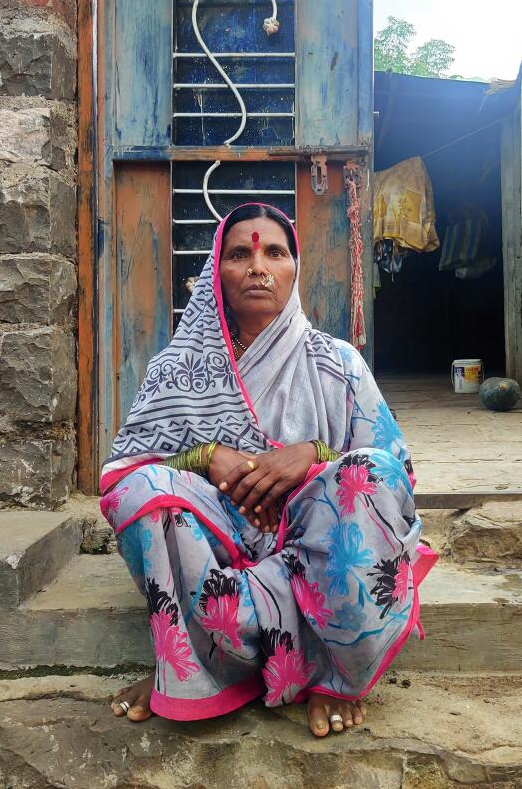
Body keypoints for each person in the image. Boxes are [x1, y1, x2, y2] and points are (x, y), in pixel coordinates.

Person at [99, 202, 435, 737]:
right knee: (139, 490)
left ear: (293, 270)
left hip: (314, 546)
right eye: (239, 254)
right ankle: (192, 664)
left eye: (274, 252)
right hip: (216, 543)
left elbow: (398, 472)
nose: (258, 266)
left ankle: (336, 674)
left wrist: (314, 455)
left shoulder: (338, 362)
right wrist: (207, 458)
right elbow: (126, 468)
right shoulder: (175, 369)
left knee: (368, 474)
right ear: (217, 272)